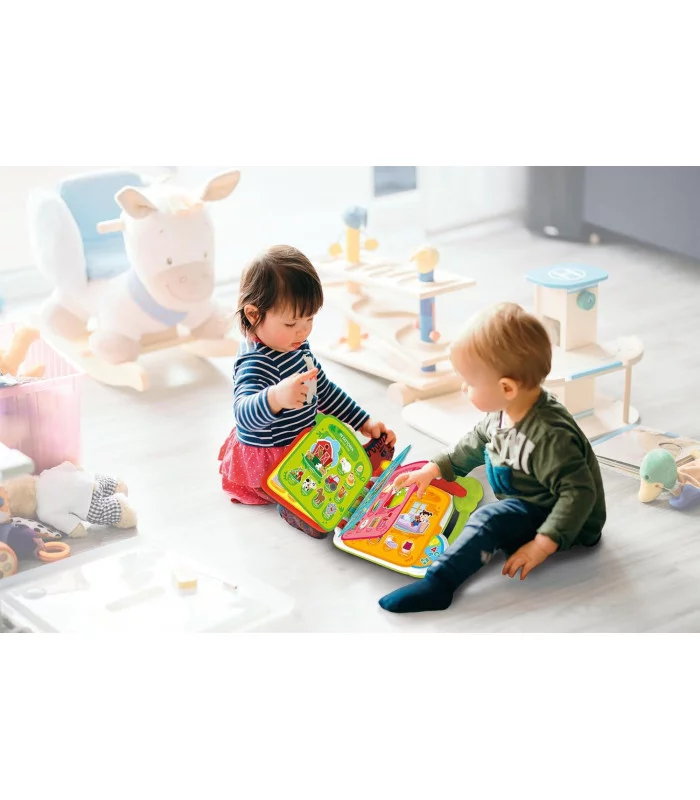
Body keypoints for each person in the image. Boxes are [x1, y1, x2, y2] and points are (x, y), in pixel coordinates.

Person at [379, 302, 606, 614]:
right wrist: (434, 469)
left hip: (565, 518)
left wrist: (542, 544)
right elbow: (476, 441)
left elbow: (579, 494)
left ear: (506, 388)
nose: (463, 388)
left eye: (470, 383)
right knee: (488, 457)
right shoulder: (507, 410)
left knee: (488, 520)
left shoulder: (550, 437)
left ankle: (439, 584)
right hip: (530, 493)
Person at [219, 245, 395, 526]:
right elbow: (243, 415)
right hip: (272, 458)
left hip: (302, 442)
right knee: (326, 499)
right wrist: (275, 398)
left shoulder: (297, 346)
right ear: (253, 315)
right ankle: (293, 507)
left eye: (310, 318)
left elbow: (322, 389)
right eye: (291, 323)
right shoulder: (256, 363)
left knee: (339, 477)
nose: (303, 331)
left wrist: (362, 421)